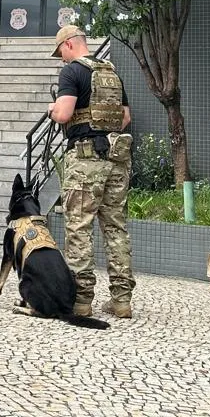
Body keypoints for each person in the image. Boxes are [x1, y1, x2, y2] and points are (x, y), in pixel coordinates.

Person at [47, 24, 135, 318]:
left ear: (69, 44)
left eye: (60, 52)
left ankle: (82, 299)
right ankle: (122, 300)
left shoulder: (72, 72)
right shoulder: (111, 72)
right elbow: (125, 117)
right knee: (115, 227)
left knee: (79, 226)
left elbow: (64, 113)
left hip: (85, 162)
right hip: (117, 159)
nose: (61, 58)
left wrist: (52, 109)